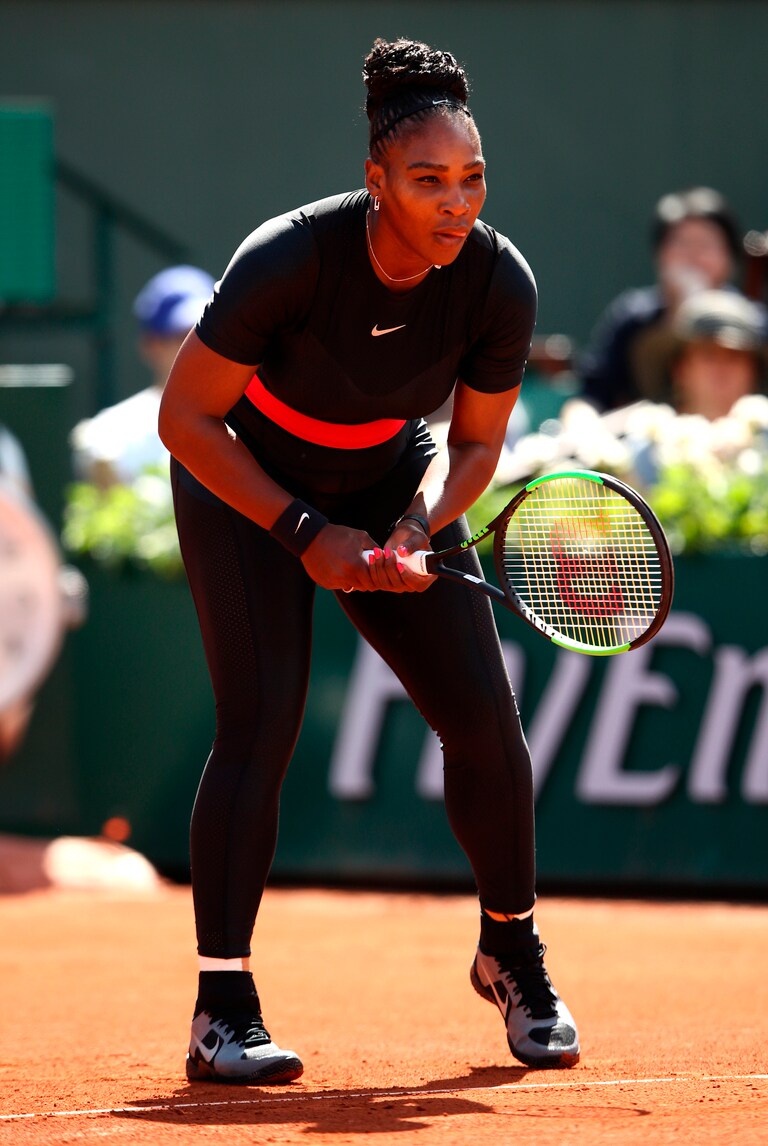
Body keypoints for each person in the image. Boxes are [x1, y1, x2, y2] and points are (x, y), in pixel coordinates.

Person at [158, 36, 579, 1085]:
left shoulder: (498, 281)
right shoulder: (289, 258)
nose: (456, 203)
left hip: (393, 480)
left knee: (485, 723)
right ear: (376, 180)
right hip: (245, 481)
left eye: (473, 178)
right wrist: (306, 533)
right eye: (429, 180)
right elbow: (185, 419)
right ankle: (223, 1008)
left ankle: (510, 951)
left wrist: (415, 527)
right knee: (261, 722)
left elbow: (474, 444)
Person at [578, 187, 743, 411]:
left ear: (729, 258)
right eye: (682, 243)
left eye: (706, 244)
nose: (693, 256)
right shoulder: (632, 319)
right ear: (660, 255)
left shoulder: (753, 325)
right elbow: (591, 396)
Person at [70, 265, 214, 486]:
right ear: (150, 345)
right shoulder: (108, 436)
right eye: (183, 336)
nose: (199, 345)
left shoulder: (255, 418)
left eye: (207, 332)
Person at [646, 288, 768, 421]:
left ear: (754, 371)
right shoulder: (644, 430)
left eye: (734, 357)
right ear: (679, 368)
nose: (721, 370)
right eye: (709, 356)